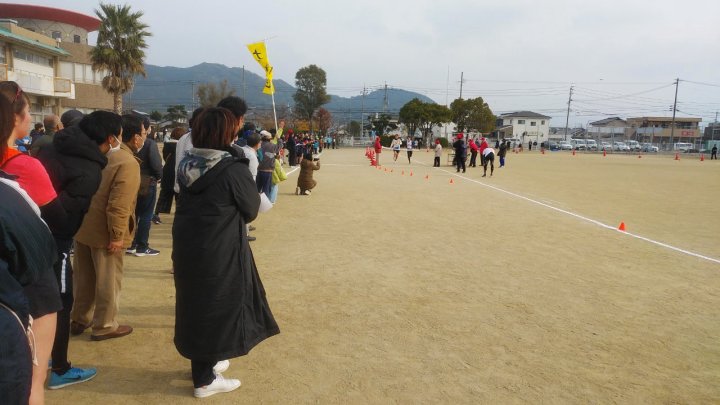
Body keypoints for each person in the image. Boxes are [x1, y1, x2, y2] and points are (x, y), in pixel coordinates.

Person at [174, 107, 279, 398]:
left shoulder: (187, 162)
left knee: (197, 303)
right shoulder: (232, 168)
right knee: (218, 304)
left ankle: (205, 363)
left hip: (188, 244)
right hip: (220, 247)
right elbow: (251, 208)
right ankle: (204, 380)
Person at [35, 111, 120, 389]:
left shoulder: (51, 146)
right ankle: (59, 368)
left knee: (36, 297)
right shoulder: (88, 171)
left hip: (28, 230)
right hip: (53, 240)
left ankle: (42, 351)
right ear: (110, 138)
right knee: (61, 301)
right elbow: (64, 218)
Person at [1, 81, 62, 405]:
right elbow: (58, 218)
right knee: (31, 383)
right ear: (14, 118)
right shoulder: (23, 167)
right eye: (27, 111)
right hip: (26, 296)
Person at [71, 114, 143, 341]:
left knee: (83, 278)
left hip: (83, 226)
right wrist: (117, 234)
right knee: (108, 281)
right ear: (114, 136)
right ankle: (104, 325)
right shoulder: (126, 162)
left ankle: (79, 318)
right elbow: (119, 204)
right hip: (105, 231)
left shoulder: (85, 154)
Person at [127, 116, 163, 257]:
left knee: (133, 213)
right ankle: (142, 246)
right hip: (148, 183)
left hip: (132, 181)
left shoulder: (127, 144)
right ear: (147, 129)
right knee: (146, 215)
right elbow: (156, 165)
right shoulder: (149, 144)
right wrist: (158, 176)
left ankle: (131, 243)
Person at [153, 126, 185, 224]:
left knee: (164, 194)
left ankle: (156, 215)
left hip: (167, 172)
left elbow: (165, 157)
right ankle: (179, 217)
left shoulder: (167, 145)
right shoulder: (181, 146)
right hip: (177, 172)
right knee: (179, 196)